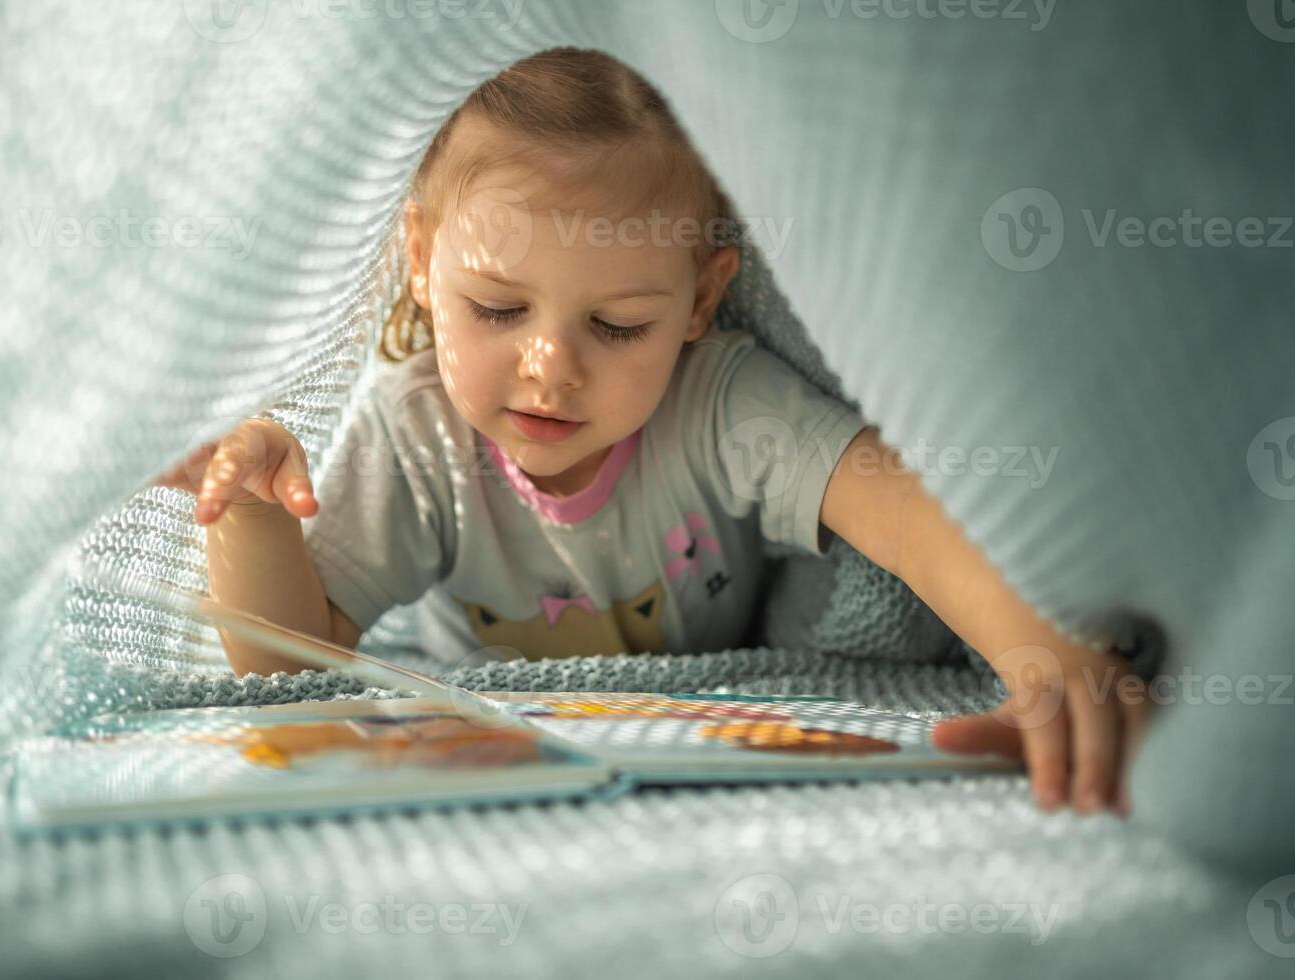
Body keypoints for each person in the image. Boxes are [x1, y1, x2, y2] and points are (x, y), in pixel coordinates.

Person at [153, 48, 1150, 818]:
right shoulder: (417, 430)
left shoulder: (714, 402)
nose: (550, 367)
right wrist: (246, 515)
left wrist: (1033, 644)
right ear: (420, 258)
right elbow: (288, 667)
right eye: (497, 309)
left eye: (617, 325)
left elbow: (891, 503)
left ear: (698, 301)